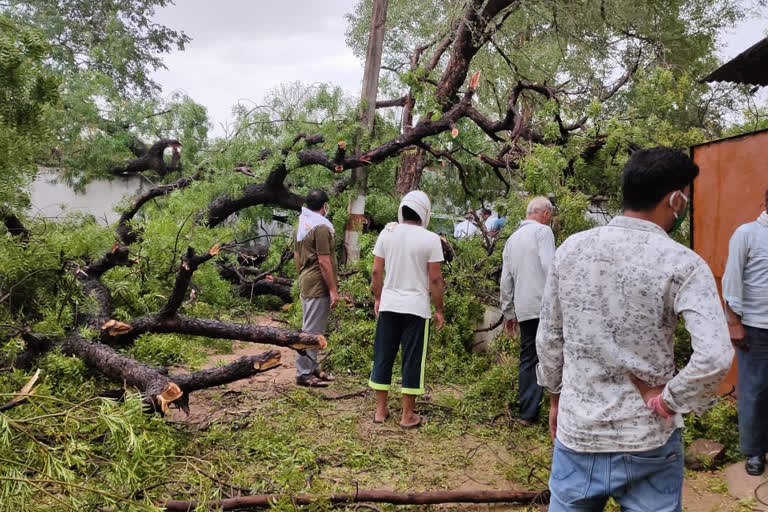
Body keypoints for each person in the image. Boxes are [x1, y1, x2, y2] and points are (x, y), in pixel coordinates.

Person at [536, 147, 733, 511]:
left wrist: (554, 398)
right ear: (675, 199)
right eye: (685, 197)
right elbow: (716, 356)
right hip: (650, 442)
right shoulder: (684, 264)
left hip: (580, 434)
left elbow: (550, 337)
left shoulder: (571, 251)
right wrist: (668, 400)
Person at [369, 191, 445, 428]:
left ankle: (380, 411)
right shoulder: (431, 239)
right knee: (412, 360)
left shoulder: (387, 233)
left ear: (402, 209)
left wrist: (378, 297)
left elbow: (375, 272)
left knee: (383, 355)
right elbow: (435, 279)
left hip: (389, 304)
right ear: (425, 212)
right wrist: (439, 309)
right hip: (416, 308)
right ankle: (407, 415)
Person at [722, 186, 768, 475]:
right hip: (756, 327)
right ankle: (754, 452)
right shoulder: (747, 234)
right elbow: (732, 279)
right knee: (755, 391)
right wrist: (734, 322)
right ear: (765, 201)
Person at [499, 196, 555, 426]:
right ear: (546, 214)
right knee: (553, 356)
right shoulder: (543, 232)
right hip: (545, 306)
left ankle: (527, 413)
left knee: (528, 358)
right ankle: (556, 410)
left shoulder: (512, 239)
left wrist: (508, 312)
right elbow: (551, 268)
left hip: (524, 307)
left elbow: (506, 279)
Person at [294, 188, 338, 388]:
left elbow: (296, 256)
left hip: (306, 280)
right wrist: (333, 290)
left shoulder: (303, 223)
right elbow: (324, 261)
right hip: (317, 284)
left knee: (313, 327)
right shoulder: (320, 227)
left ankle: (312, 367)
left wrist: (301, 275)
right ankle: (303, 373)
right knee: (311, 330)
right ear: (324, 206)